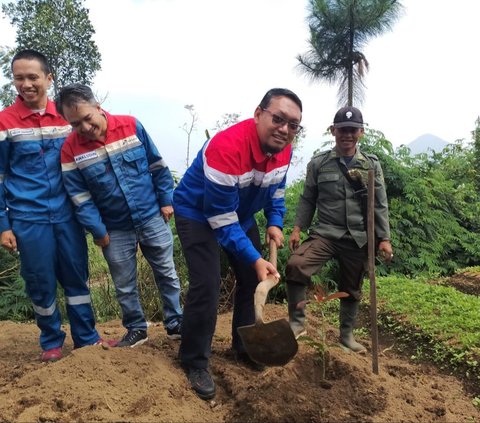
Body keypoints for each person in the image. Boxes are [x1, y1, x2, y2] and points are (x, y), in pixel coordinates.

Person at [173, 88, 303, 400]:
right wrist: (256, 260)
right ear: (259, 114)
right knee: (207, 283)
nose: (284, 129)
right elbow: (219, 218)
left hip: (240, 214)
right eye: (278, 119)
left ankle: (244, 347)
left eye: (293, 125)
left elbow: (278, 189)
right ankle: (194, 360)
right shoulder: (227, 147)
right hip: (198, 214)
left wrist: (274, 220)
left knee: (249, 279)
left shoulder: (283, 148)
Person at [0, 49, 110, 362]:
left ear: (48, 78)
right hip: (28, 219)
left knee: (77, 278)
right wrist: (3, 225)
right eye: (19, 77)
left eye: (33, 77)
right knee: (40, 282)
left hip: (68, 216)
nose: (26, 83)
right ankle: (51, 341)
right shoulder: (4, 123)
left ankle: (87, 338)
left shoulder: (67, 117)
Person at [56, 83, 183, 348]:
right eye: (76, 124)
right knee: (123, 285)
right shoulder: (70, 149)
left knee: (167, 274)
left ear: (98, 107)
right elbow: (79, 197)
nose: (85, 128)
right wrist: (98, 230)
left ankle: (175, 323)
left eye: (88, 119)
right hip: (114, 228)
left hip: (151, 216)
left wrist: (166, 200)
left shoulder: (131, 126)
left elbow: (158, 167)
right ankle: (137, 328)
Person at [285, 106, 393, 353]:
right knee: (296, 265)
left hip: (357, 237)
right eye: (342, 130)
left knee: (352, 288)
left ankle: (346, 336)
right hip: (325, 233)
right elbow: (308, 199)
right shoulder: (319, 164)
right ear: (333, 131)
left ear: (361, 133)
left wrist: (384, 238)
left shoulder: (371, 165)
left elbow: (380, 203)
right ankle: (297, 323)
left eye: (352, 130)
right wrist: (297, 228)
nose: (347, 135)